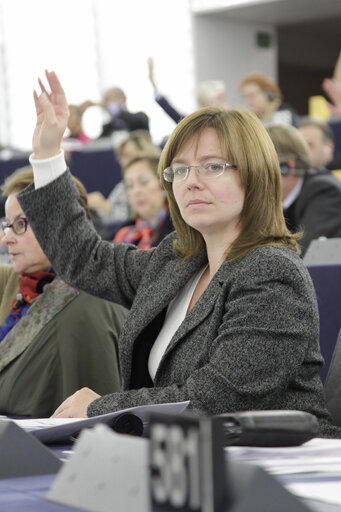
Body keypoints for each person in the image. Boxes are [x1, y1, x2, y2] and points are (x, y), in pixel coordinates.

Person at [18, 70, 339, 437]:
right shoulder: (174, 264)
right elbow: (84, 259)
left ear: (255, 176)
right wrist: (47, 154)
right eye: (181, 170)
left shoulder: (272, 272)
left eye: (213, 167)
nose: (192, 181)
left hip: (287, 473)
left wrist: (98, 409)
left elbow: (216, 400)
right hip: (190, 463)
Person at [0, 166, 127, 417]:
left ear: (64, 224)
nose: (6, 238)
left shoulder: (89, 303)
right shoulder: (28, 286)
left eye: (21, 224)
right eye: (7, 225)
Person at [267, 123, 341, 255]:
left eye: (261, 169)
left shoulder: (324, 192)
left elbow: (302, 254)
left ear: (287, 167)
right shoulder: (276, 201)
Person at [87, 130, 161, 237]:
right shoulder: (122, 186)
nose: (122, 162)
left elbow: (127, 214)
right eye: (130, 186)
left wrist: (105, 207)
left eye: (127, 155)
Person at [113, 153, 173, 248]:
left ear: (162, 185)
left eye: (143, 182)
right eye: (130, 186)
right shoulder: (122, 235)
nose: (136, 191)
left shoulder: (181, 230)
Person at [147, 57, 227, 124]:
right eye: (219, 99)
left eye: (222, 98)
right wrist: (153, 83)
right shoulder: (194, 124)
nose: (223, 104)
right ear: (205, 103)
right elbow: (171, 111)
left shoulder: (230, 122)